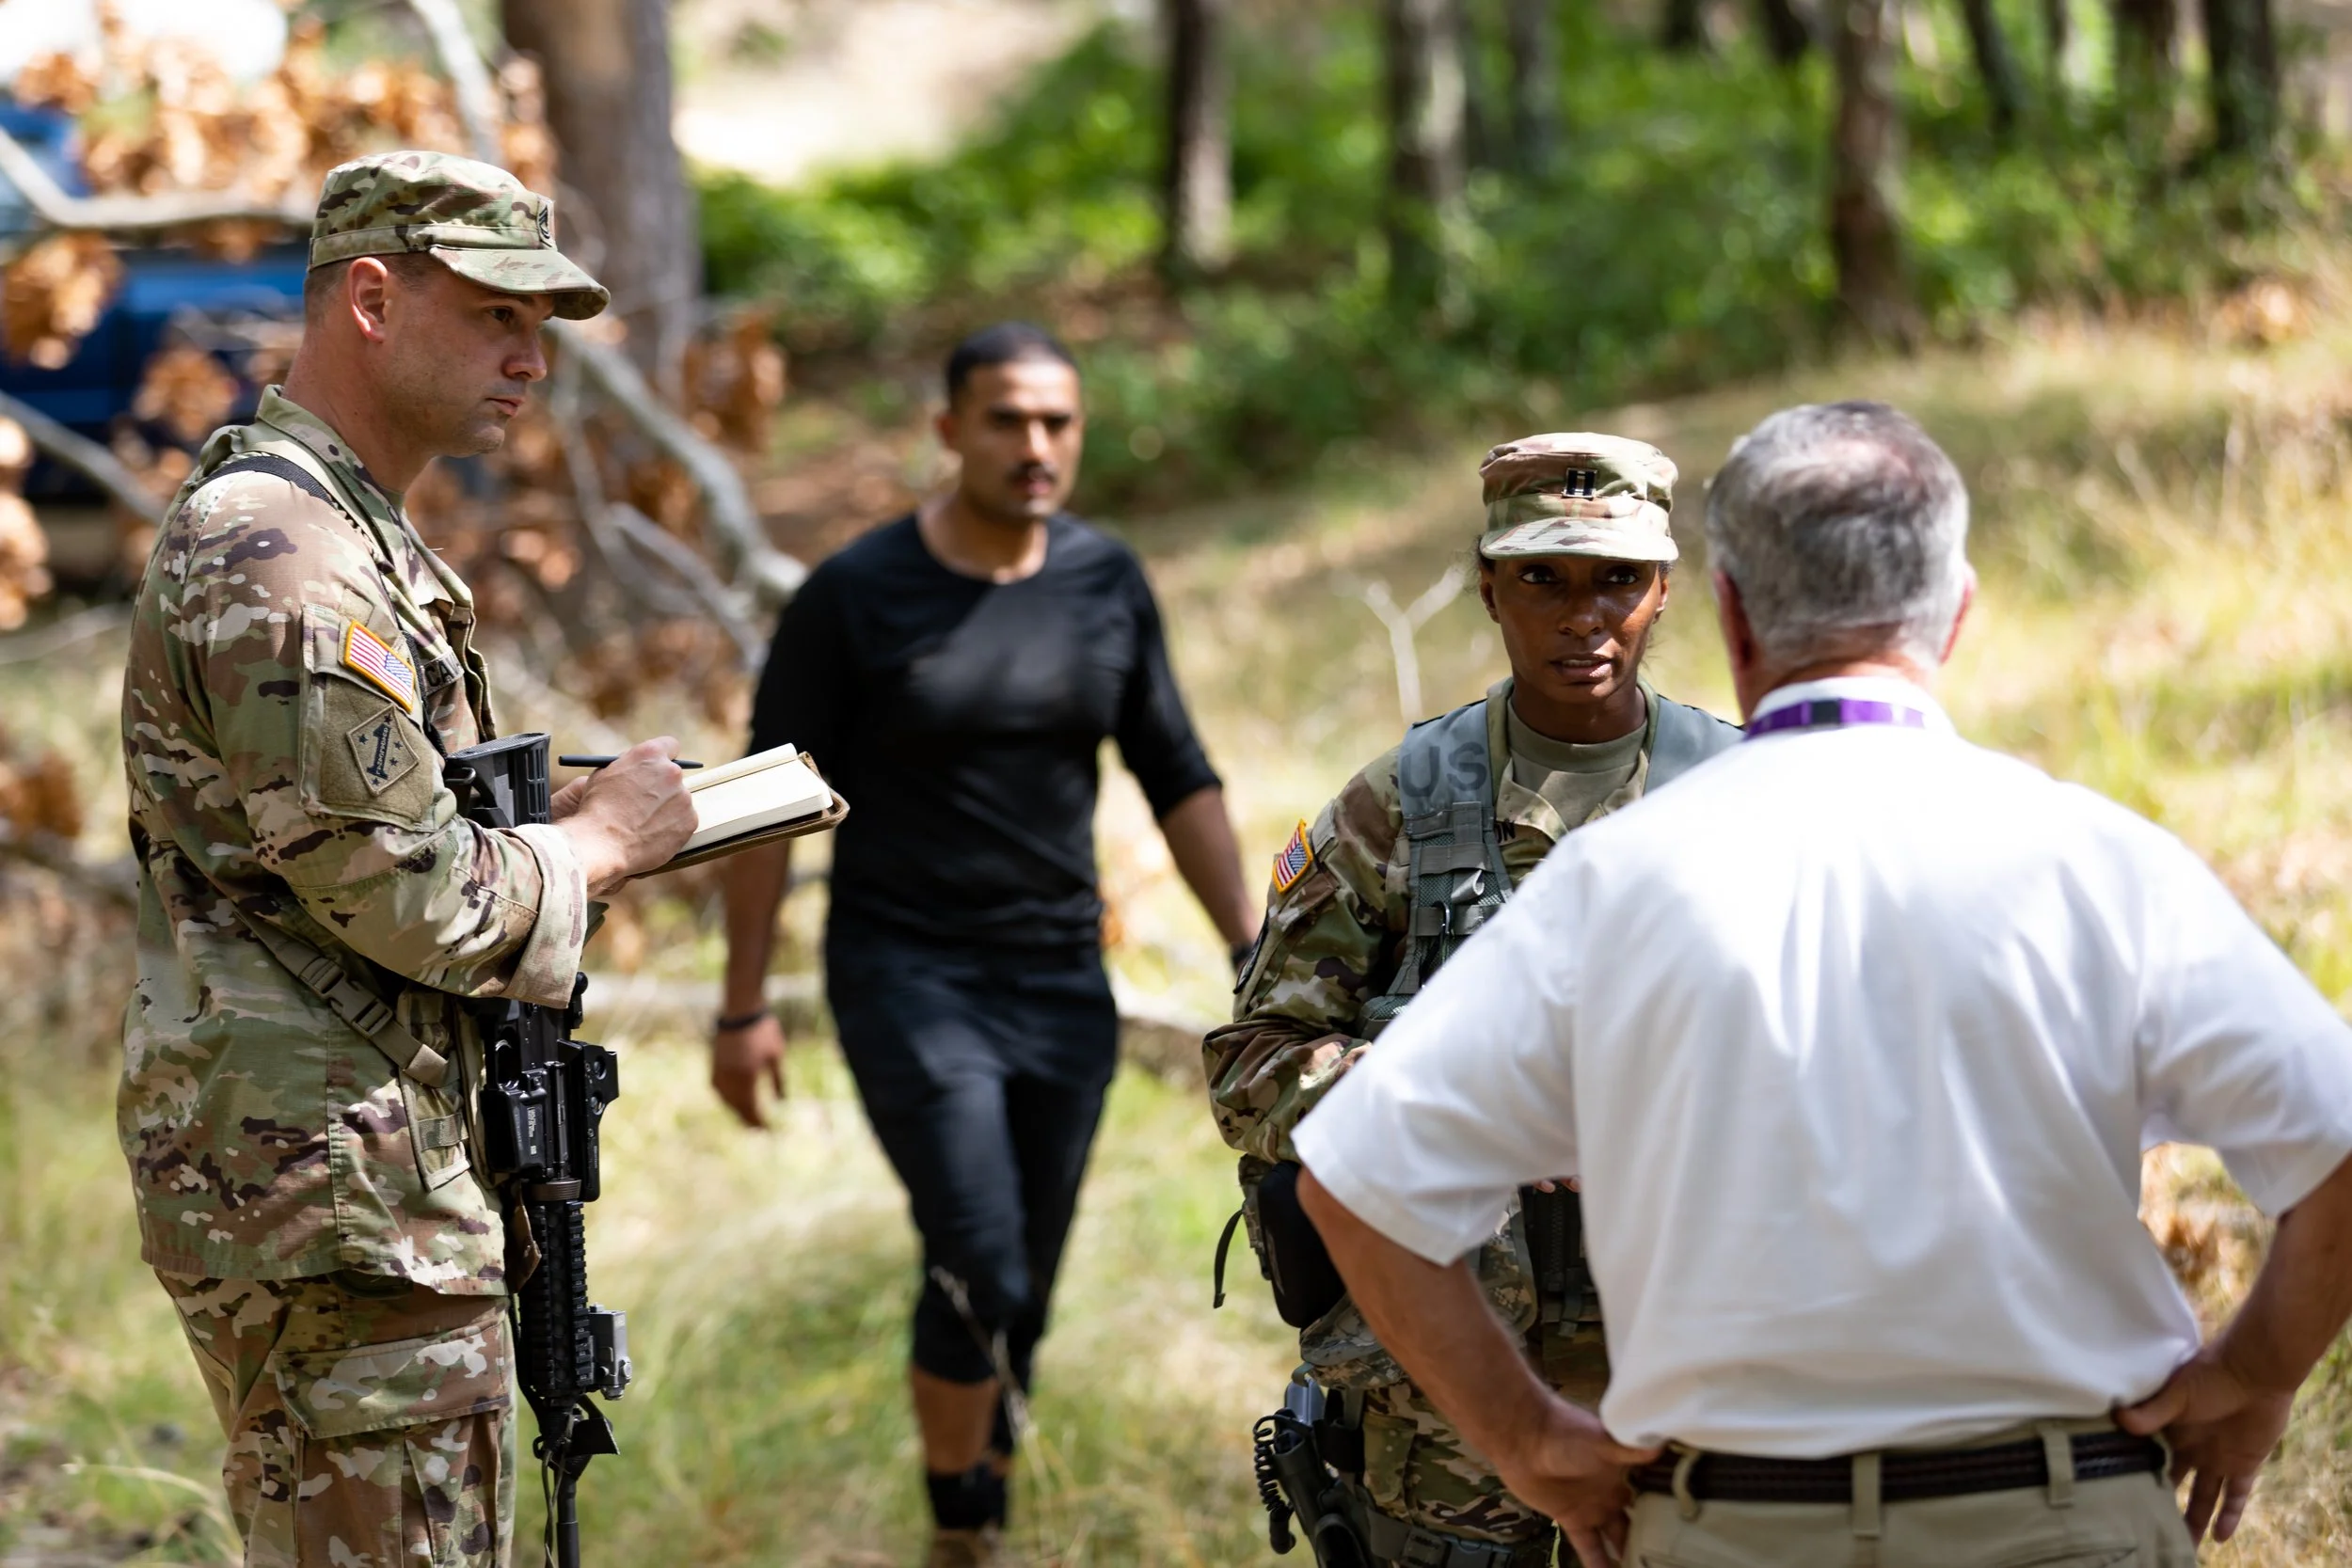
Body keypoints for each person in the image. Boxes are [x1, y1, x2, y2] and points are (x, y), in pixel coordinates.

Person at [1289, 401, 2352, 1568]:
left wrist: (1531, 1441)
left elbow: (1356, 1184)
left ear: (1725, 609)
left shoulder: (1616, 883)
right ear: (1958, 610)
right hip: (2061, 1516)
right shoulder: (2098, 861)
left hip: (1737, 1526)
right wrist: (2253, 1371)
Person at [116, 151, 697, 1568]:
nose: (529, 361)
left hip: (358, 1180)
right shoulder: (285, 553)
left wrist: (550, 806)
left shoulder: (338, 528)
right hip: (335, 1206)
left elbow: (352, 815)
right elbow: (411, 891)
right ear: (372, 298)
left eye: (541, 329)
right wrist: (599, 846)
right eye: (499, 315)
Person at [713, 322, 1260, 1566]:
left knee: (1031, 1277)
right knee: (979, 1246)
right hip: (907, 974)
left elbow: (1177, 770)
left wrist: (1254, 949)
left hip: (1062, 976)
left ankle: (986, 1498)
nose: (1036, 446)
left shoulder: (1104, 581)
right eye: (1007, 419)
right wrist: (742, 1005)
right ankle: (961, 1532)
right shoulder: (853, 598)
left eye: (1058, 422)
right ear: (949, 428)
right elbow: (762, 805)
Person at [1204, 433, 1739, 1567]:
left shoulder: (1746, 794)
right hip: (1448, 1396)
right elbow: (1251, 1063)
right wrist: (1460, 1103)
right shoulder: (1401, 805)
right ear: (1488, 584)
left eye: (1616, 580)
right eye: (1541, 577)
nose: (1580, 615)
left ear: (1665, 590)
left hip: (1699, 1373)